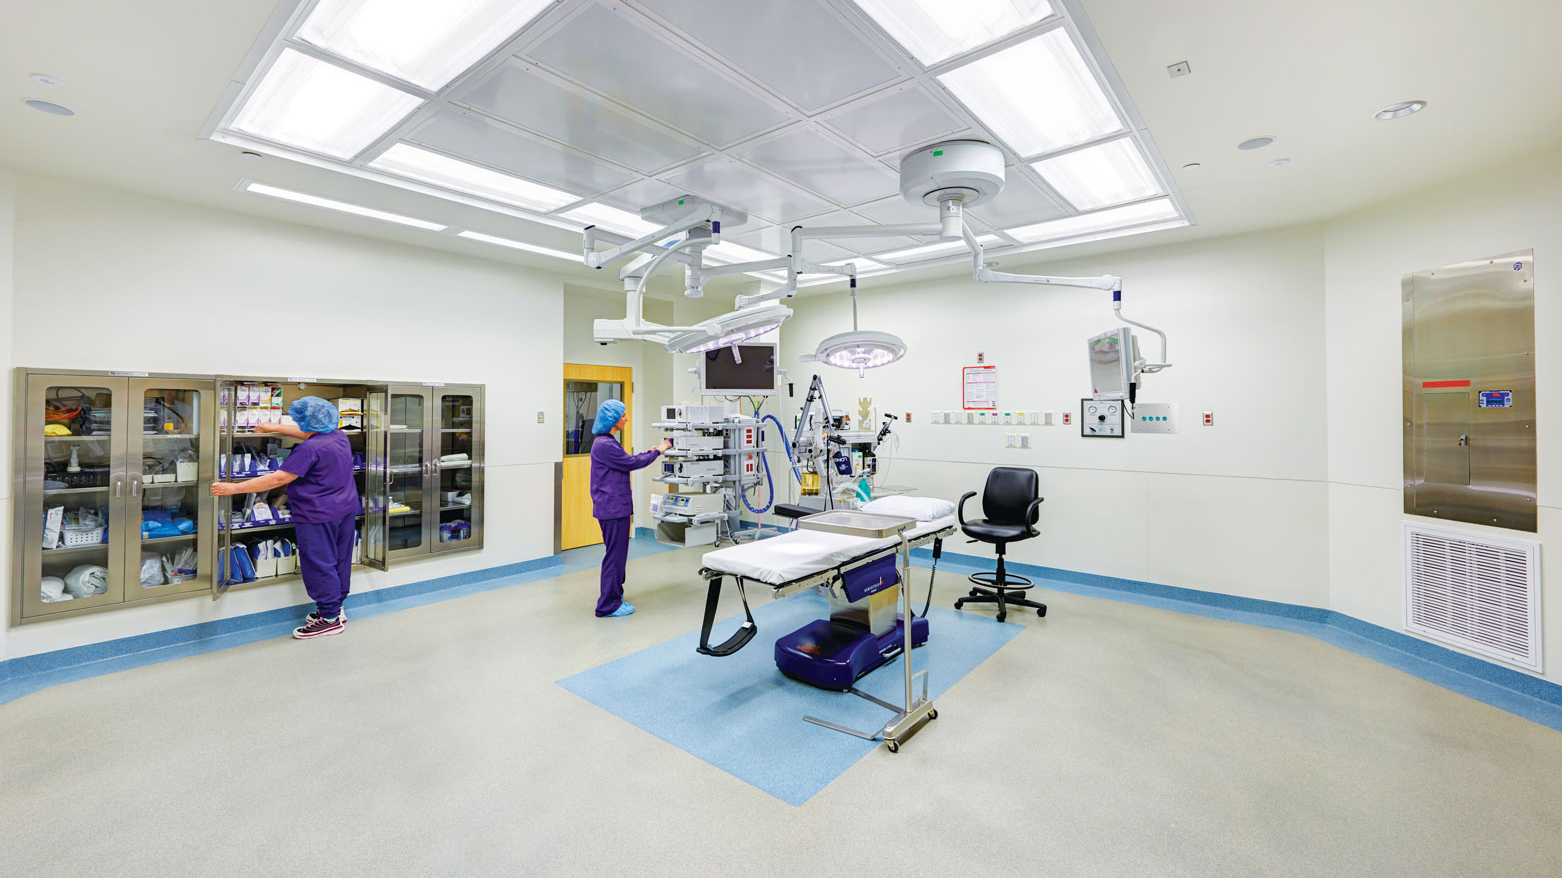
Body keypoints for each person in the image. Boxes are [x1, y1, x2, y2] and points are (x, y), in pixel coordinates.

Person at [211, 396, 359, 639]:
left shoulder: (310, 449)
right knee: (338, 560)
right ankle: (335, 608)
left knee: (319, 563)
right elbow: (309, 434)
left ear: (305, 421)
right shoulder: (337, 436)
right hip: (344, 509)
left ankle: (330, 619)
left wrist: (232, 488)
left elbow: (279, 479)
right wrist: (275, 427)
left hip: (317, 514)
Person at [589, 399, 672, 618]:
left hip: (614, 507)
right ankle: (607, 605)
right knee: (614, 557)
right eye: (623, 415)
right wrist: (660, 449)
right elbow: (632, 463)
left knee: (617, 556)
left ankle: (615, 596)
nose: (626, 418)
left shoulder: (607, 442)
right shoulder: (605, 445)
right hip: (613, 509)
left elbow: (627, 460)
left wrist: (650, 451)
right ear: (613, 419)